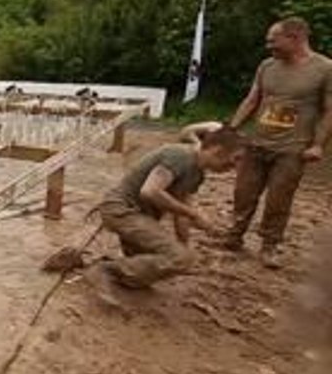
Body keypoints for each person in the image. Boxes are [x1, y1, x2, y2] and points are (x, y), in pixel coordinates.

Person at [216, 17, 332, 268]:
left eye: (274, 40)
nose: (269, 46)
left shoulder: (324, 69)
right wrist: (231, 128)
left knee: (279, 199)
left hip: (292, 148)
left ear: (295, 38)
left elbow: (329, 110)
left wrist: (318, 145)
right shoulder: (267, 66)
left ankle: (270, 245)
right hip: (257, 143)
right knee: (243, 193)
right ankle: (234, 235)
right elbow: (252, 99)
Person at [83, 125, 245, 298]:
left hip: (137, 215)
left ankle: (97, 266)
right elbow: (150, 191)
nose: (233, 167)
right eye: (234, 159)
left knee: (167, 261)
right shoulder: (180, 156)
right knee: (177, 259)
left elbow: (182, 212)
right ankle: (104, 271)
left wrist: (184, 247)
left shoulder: (197, 173)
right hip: (122, 211)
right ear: (217, 150)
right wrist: (194, 217)